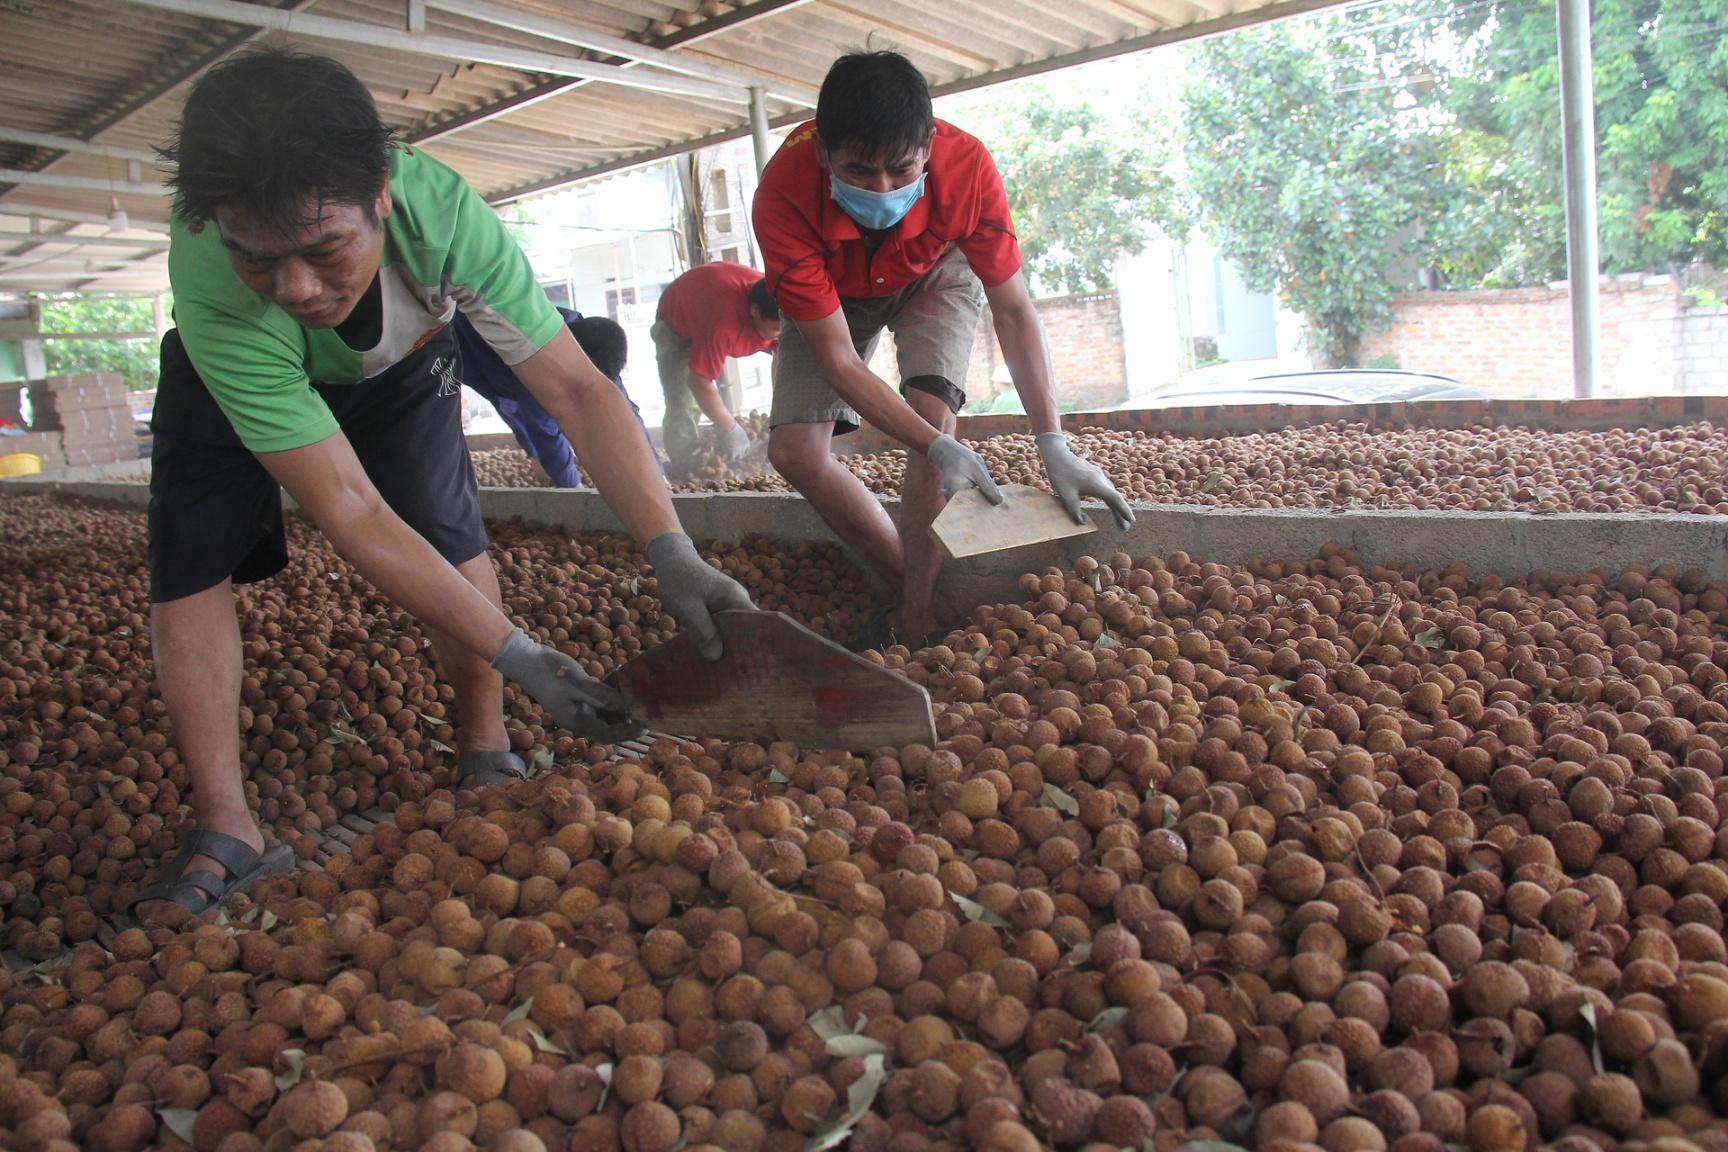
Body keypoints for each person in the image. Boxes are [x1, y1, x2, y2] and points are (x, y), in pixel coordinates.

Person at [137, 49, 753, 920]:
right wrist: (523, 650)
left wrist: (671, 546)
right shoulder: (212, 276)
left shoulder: (445, 214)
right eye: (261, 259)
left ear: (381, 195)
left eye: (326, 249)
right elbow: (348, 504)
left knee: (447, 529)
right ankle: (226, 822)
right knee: (189, 562)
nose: (298, 288)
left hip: (403, 361)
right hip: (227, 374)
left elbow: (577, 388)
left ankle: (485, 739)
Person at [753, 50, 1133, 648]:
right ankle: (913, 590)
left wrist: (1052, 442)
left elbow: (1012, 308)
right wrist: (934, 449)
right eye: (858, 172)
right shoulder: (782, 195)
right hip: (834, 296)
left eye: (902, 171)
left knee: (933, 414)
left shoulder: (968, 167)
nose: (882, 188)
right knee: (796, 451)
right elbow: (839, 359)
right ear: (823, 152)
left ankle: (918, 622)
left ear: (928, 145)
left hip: (935, 272)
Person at [453, 307, 661, 487]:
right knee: (509, 401)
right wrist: (572, 486)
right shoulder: (538, 356)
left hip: (499, 340)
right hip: (463, 344)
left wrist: (657, 475)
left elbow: (627, 412)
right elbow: (542, 426)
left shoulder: (593, 346)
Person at [651, 262, 780, 469]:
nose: (780, 332)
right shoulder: (723, 326)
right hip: (677, 322)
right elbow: (699, 381)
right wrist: (730, 428)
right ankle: (685, 465)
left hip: (715, 298)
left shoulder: (779, 298)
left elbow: (783, 358)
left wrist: (780, 410)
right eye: (776, 328)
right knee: (682, 403)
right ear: (755, 312)